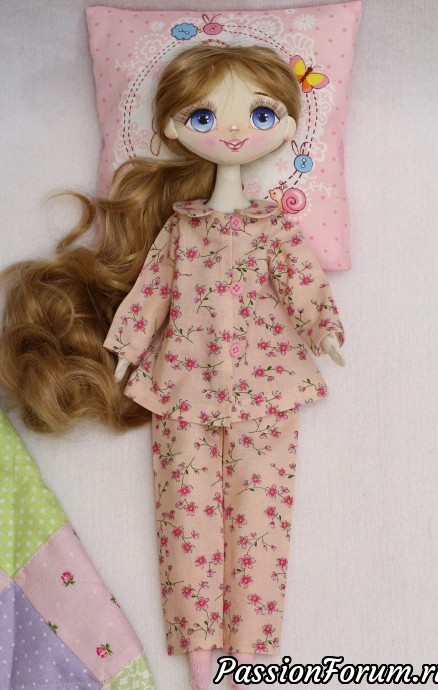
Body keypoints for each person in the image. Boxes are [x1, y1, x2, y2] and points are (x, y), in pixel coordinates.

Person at [0, 44, 345, 690]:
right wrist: (128, 347)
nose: (235, 131)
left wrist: (323, 328)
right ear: (173, 127)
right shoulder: (180, 230)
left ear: (287, 127)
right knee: (187, 522)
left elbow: (303, 283)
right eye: (206, 116)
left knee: (261, 520)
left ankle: (250, 659)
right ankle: (204, 663)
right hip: (182, 384)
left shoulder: (275, 230)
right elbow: (152, 291)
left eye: (261, 115)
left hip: (269, 385)